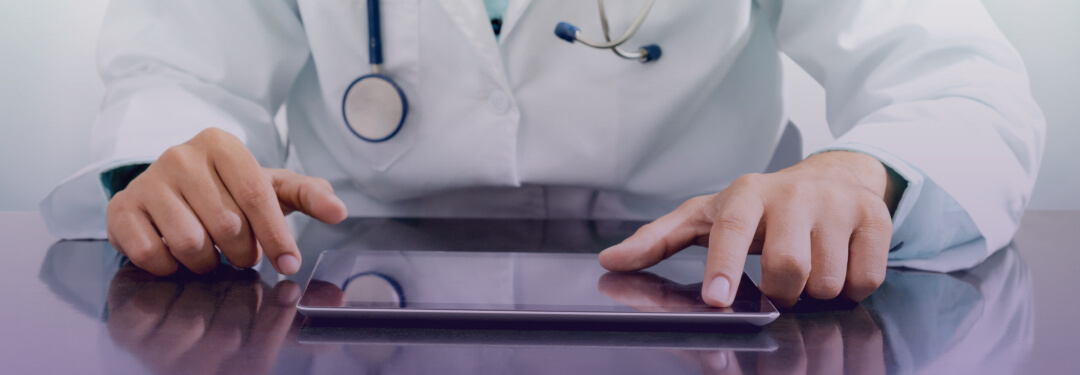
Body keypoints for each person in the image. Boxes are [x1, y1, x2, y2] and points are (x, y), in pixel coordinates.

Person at [41, 0, 1044, 308]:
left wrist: (865, 174)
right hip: (355, 301)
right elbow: (177, 74)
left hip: (708, 297)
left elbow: (959, 83)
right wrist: (168, 169)